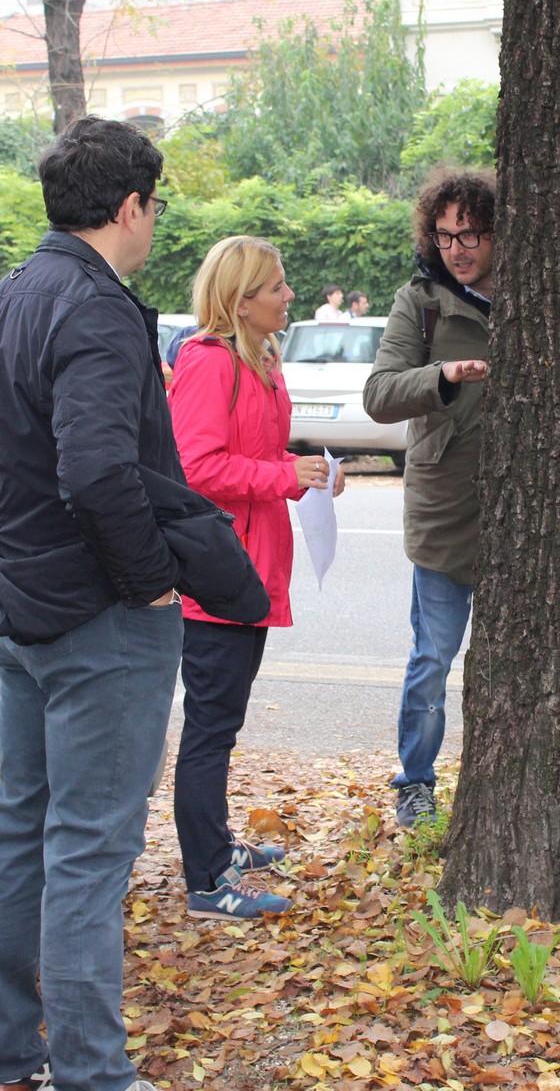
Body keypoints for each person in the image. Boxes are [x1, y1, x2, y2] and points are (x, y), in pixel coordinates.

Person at [0, 116, 181, 1091]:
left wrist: (29, 547)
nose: (155, 223)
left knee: (24, 832)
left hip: (21, 604)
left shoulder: (2, 300)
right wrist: (150, 579)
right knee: (84, 851)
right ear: (129, 208)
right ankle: (90, 1074)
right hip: (96, 622)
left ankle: (13, 1060)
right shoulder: (95, 308)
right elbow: (94, 471)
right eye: (154, 207)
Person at [168, 236, 343, 919]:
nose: (289, 295)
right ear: (241, 301)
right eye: (276, 287)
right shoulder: (209, 363)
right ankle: (206, 879)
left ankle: (216, 846)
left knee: (223, 722)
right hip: (218, 572)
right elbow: (194, 468)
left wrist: (306, 473)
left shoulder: (262, 358)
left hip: (254, 561)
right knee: (210, 729)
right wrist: (281, 475)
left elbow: (259, 454)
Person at [362, 168, 495, 829]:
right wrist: (441, 376)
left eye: (470, 234)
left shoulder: (535, 291)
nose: (458, 248)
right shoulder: (421, 302)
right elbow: (379, 393)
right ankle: (414, 781)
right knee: (432, 659)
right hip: (445, 510)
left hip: (520, 518)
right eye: (445, 236)